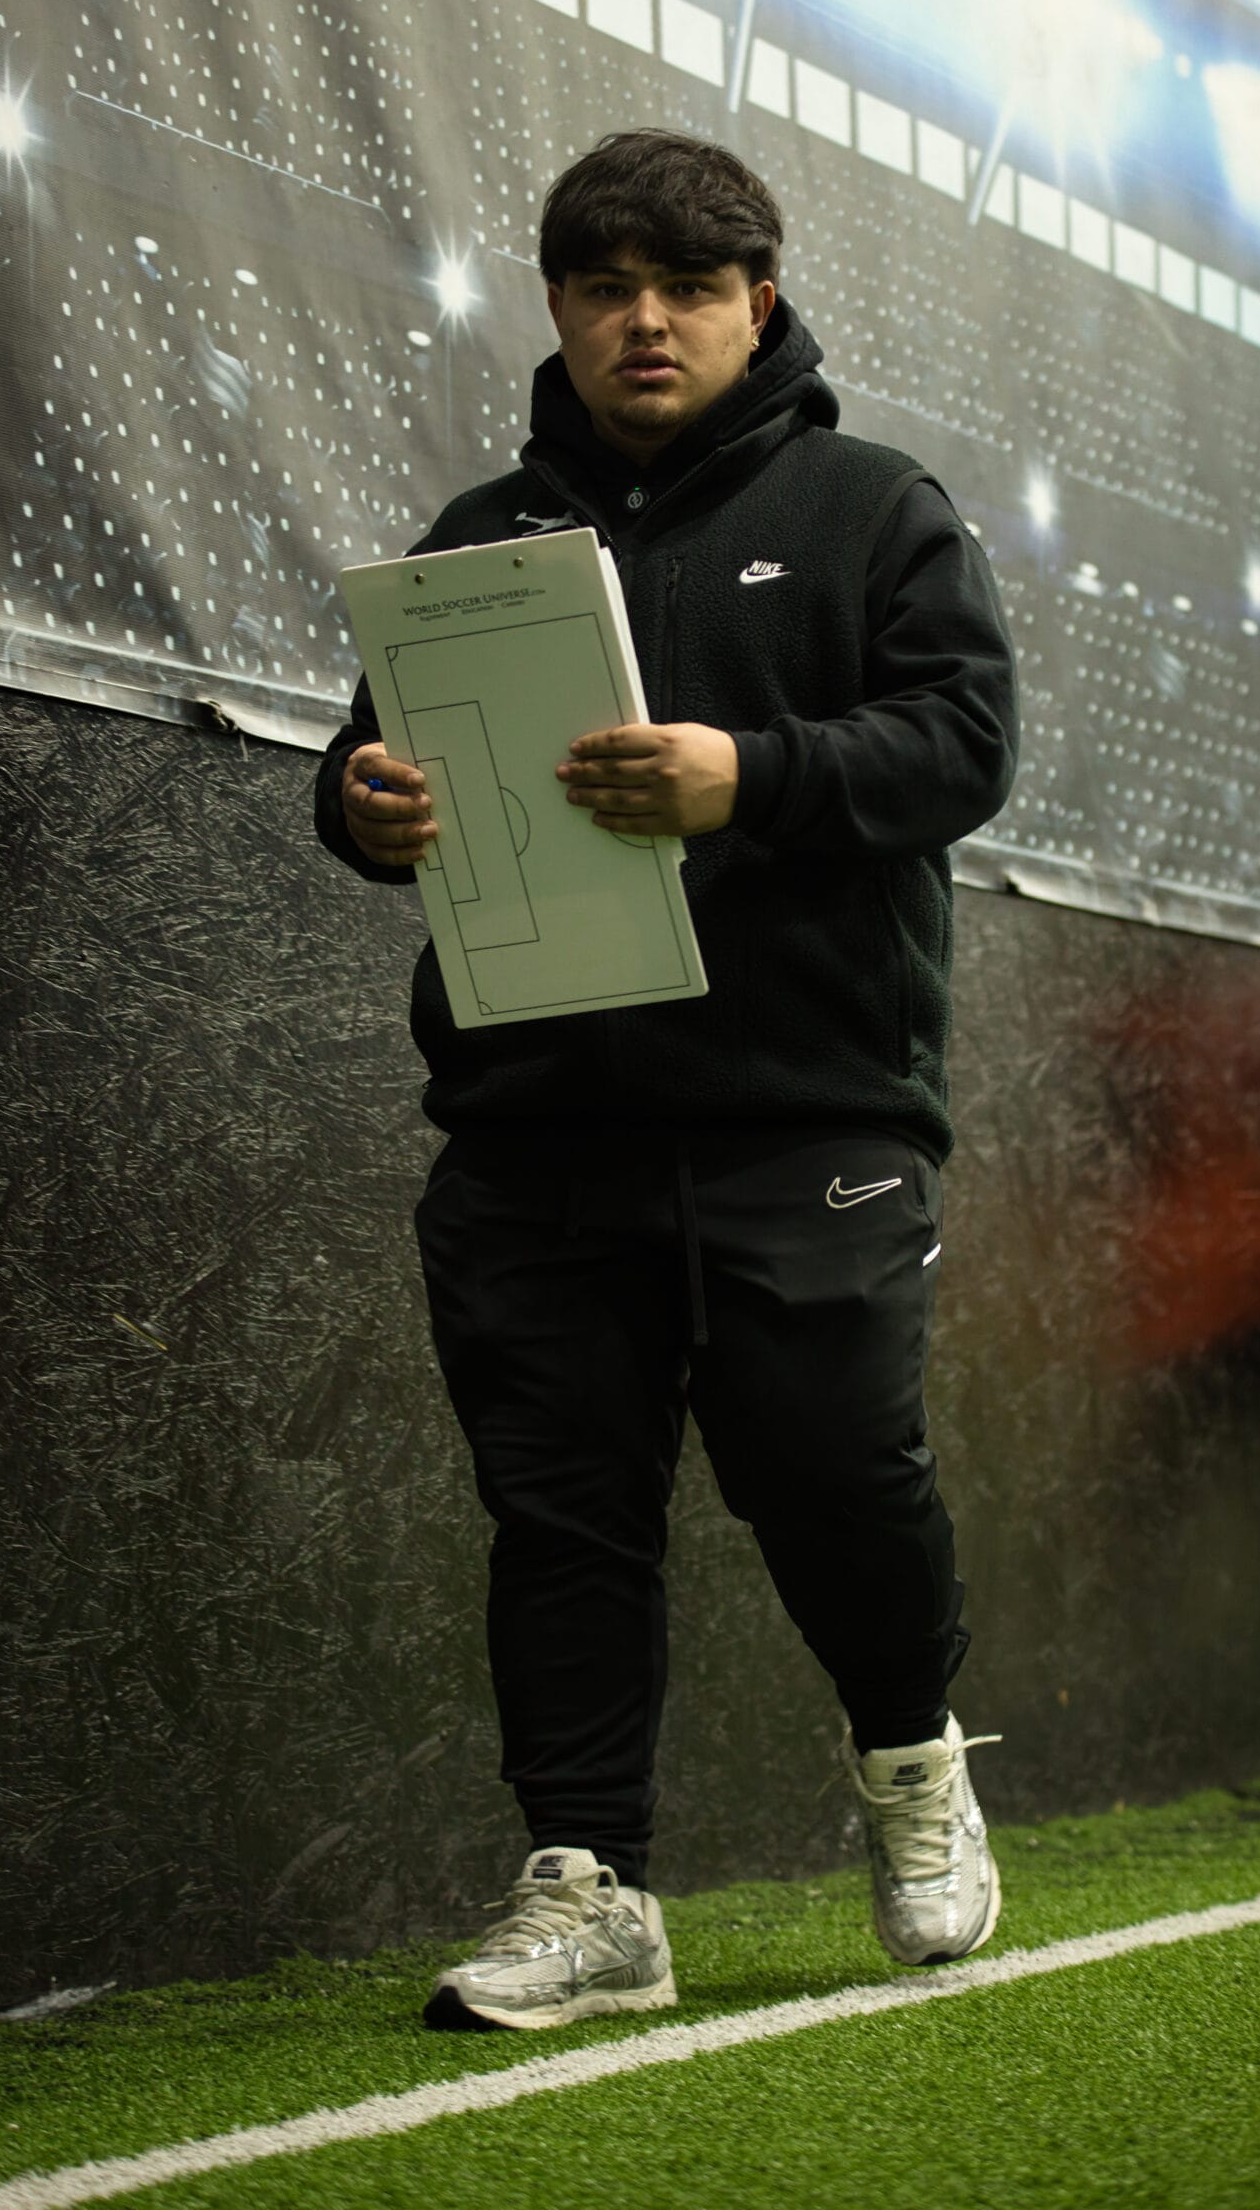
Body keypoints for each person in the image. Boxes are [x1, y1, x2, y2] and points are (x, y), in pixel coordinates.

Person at [315, 130, 1020, 2030]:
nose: (646, 321)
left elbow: (964, 747)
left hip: (813, 1119)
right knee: (562, 1516)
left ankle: (908, 1760)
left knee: (833, 1478)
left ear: (755, 303)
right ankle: (593, 1887)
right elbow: (366, 767)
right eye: (606, 285)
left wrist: (753, 776)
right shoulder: (478, 542)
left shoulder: (875, 507)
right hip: (537, 1131)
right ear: (555, 304)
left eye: (689, 288)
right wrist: (362, 806)